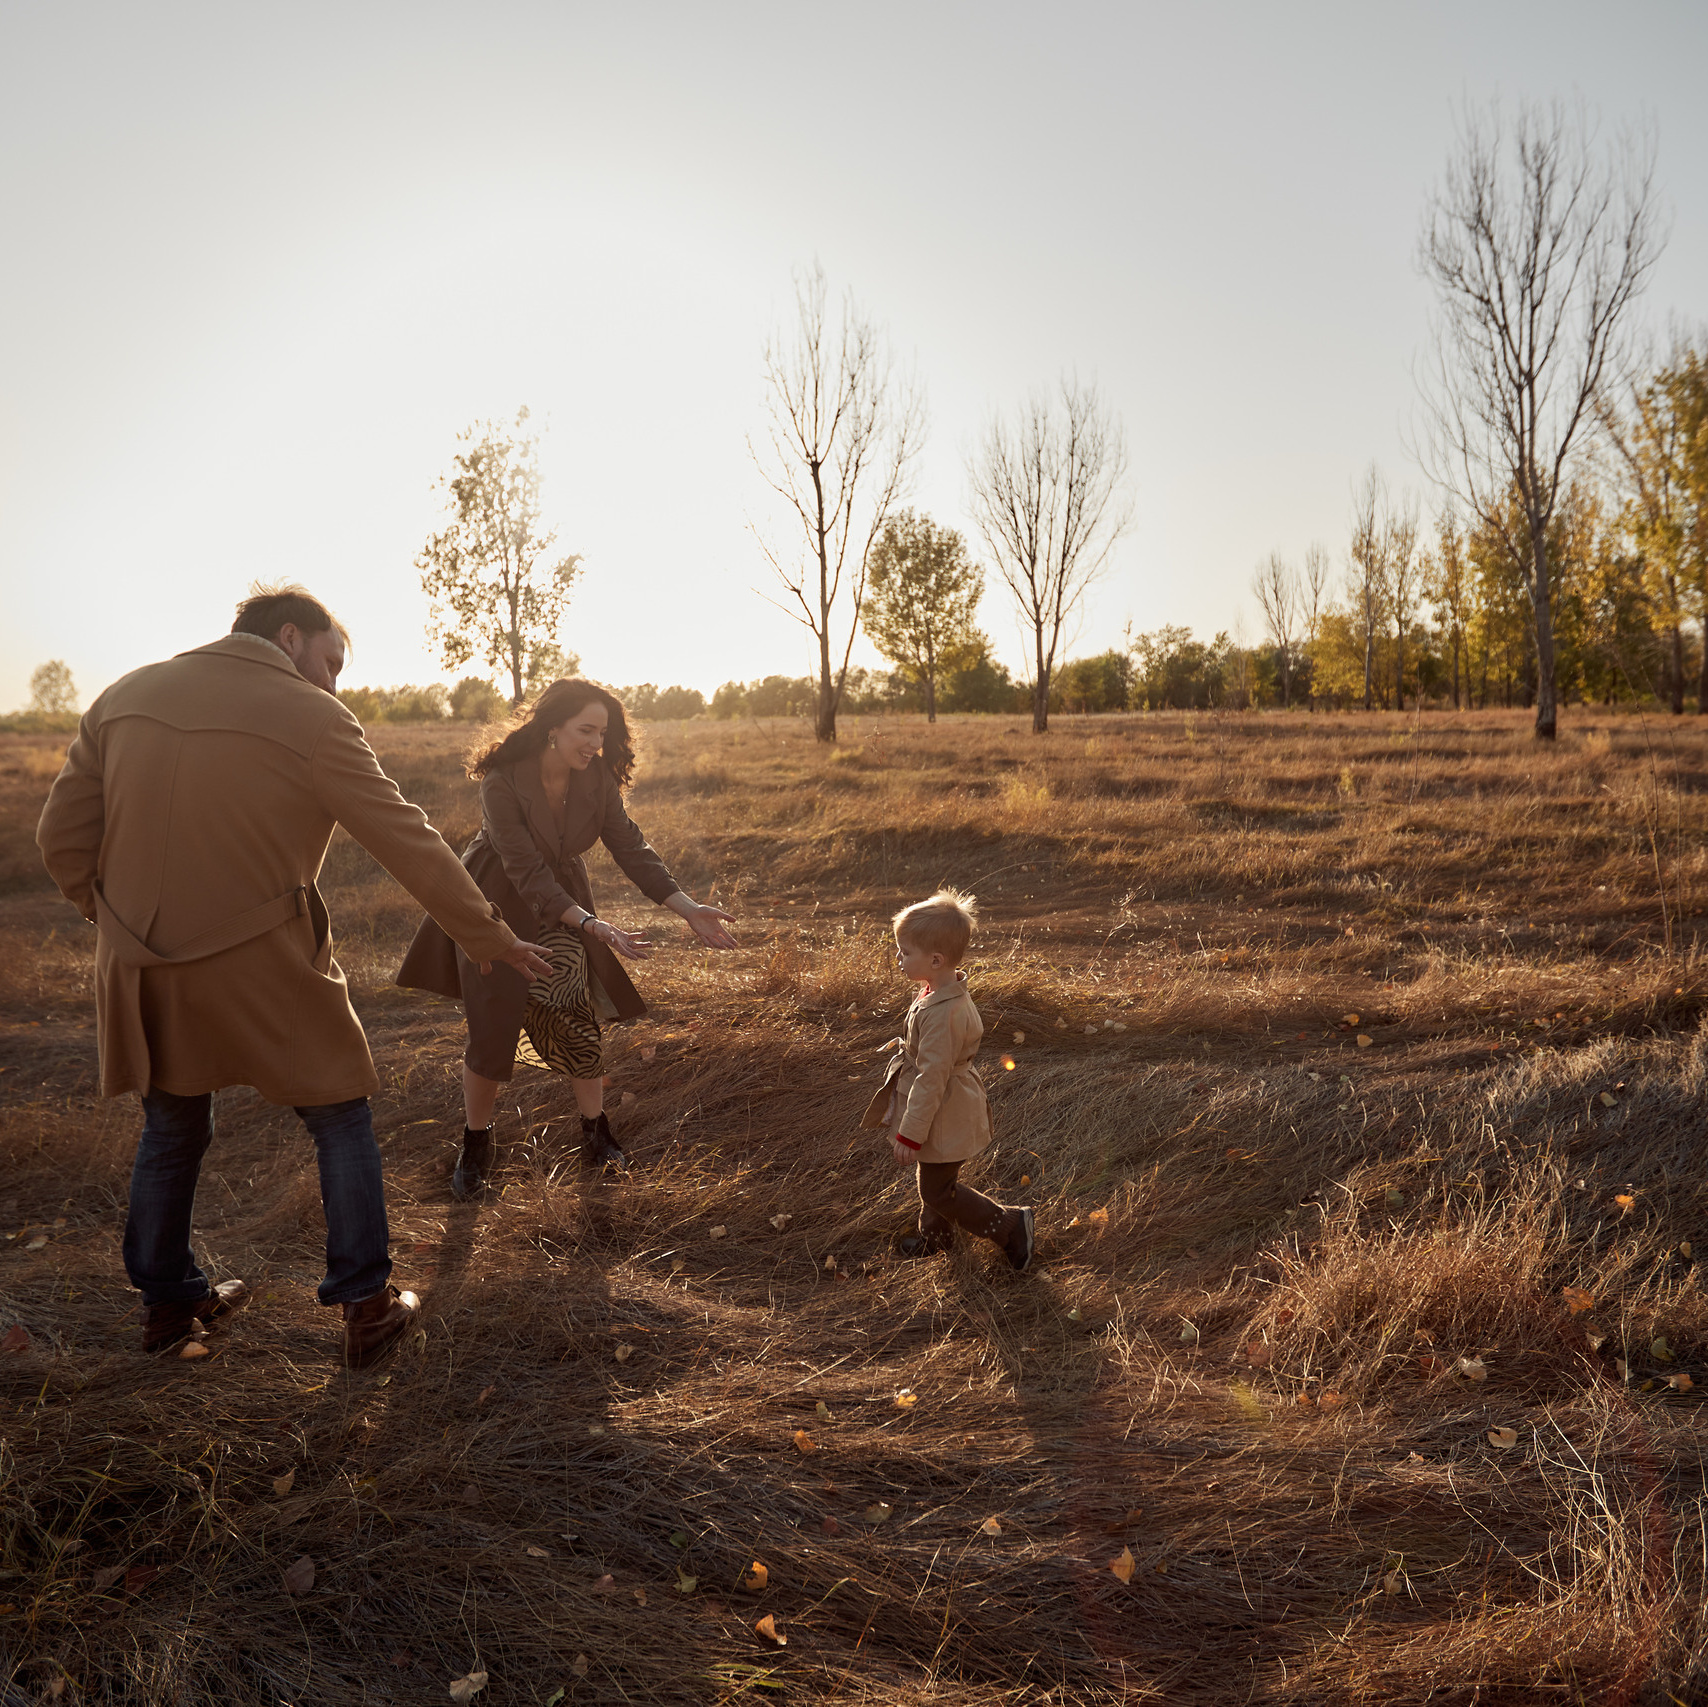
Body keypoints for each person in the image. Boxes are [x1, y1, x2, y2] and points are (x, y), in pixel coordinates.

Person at [34, 584, 550, 1366]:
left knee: (172, 1125)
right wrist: (490, 935)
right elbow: (405, 837)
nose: (335, 683)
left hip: (142, 965)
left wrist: (116, 926)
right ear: (289, 637)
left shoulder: (122, 697)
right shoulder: (313, 715)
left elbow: (60, 837)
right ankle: (367, 1306)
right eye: (332, 661)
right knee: (340, 1114)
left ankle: (169, 1309)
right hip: (266, 962)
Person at [397, 678, 737, 1193]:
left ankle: (596, 1133)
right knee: (492, 1026)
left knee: (575, 1009)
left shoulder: (597, 779)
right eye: (586, 730)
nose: (596, 744)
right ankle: (476, 1141)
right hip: (495, 900)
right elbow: (524, 871)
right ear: (551, 728)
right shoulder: (501, 780)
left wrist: (686, 908)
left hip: (566, 905)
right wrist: (592, 923)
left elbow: (631, 847)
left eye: (602, 733)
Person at [861, 890, 1034, 1269]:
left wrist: (910, 1133)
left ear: (935, 960)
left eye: (905, 952)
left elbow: (932, 1078)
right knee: (933, 1176)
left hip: (944, 1110)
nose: (898, 958)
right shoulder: (937, 992)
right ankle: (937, 1239)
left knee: (938, 1189)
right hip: (941, 1108)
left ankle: (1007, 1225)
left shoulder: (943, 1013)